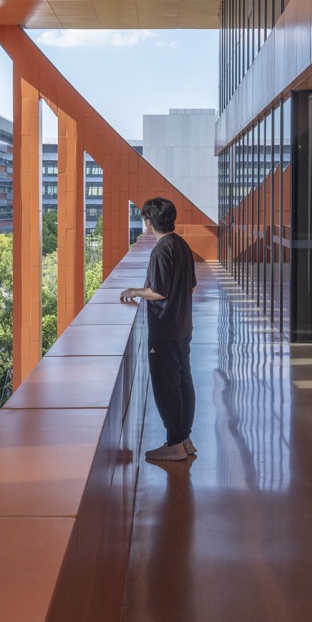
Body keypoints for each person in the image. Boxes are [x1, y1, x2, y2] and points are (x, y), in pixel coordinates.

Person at [121, 197, 198, 463]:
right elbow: (190, 285)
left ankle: (174, 443)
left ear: (150, 221)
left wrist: (133, 291)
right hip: (182, 327)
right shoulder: (182, 245)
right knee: (183, 382)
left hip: (164, 331)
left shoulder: (161, 250)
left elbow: (158, 291)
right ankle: (184, 439)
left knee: (166, 387)